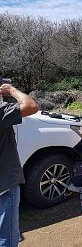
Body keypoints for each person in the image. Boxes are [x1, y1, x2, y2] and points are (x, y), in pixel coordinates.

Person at [0, 83, 38, 247]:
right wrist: (12, 91)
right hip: (5, 184)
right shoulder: (2, 112)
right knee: (6, 239)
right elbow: (31, 106)